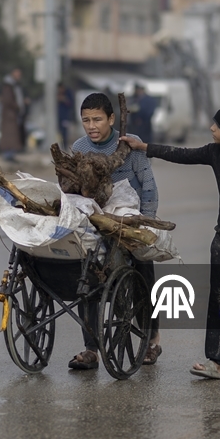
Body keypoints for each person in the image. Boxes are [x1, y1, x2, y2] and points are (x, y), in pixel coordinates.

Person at [121, 103, 220, 381]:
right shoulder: (215, 152)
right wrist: (143, 146)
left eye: (217, 124)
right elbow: (181, 154)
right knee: (218, 302)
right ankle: (214, 362)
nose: (211, 128)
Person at [68, 92, 162, 370]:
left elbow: (148, 185)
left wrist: (145, 221)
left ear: (112, 119)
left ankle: (153, 339)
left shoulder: (130, 146)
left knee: (144, 270)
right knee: (85, 277)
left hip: (127, 217)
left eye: (97, 119)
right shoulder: (79, 146)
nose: (91, 126)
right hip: (93, 218)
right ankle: (90, 348)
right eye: (86, 120)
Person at [0, 69, 25, 161]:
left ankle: (11, 155)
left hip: (13, 115)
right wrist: (17, 106)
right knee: (9, 137)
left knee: (13, 137)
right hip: (9, 116)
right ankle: (8, 155)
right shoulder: (8, 87)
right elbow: (8, 101)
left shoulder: (15, 86)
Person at [57, 84, 75, 149]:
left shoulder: (68, 93)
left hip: (65, 116)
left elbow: (71, 103)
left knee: (64, 132)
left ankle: (64, 146)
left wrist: (64, 99)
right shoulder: (56, 94)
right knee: (59, 131)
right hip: (58, 117)